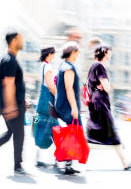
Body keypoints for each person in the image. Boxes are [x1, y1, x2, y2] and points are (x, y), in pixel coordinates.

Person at [86, 46, 131, 170]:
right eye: (109, 53)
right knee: (110, 132)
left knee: (94, 132)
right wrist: (107, 85)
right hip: (101, 104)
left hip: (95, 102)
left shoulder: (93, 66)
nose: (110, 55)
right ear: (104, 54)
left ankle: (77, 159)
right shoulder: (100, 67)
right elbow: (107, 87)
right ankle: (125, 163)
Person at [0, 32, 28, 175]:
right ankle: (18, 166)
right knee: (19, 134)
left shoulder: (7, 58)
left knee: (10, 134)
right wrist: (11, 106)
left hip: (12, 103)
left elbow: (13, 83)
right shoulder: (9, 60)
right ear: (14, 41)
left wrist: (21, 98)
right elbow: (8, 84)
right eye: (21, 39)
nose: (23, 41)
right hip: (12, 105)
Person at [54, 41, 84, 175]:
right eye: (77, 52)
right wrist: (74, 108)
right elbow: (68, 89)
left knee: (72, 133)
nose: (78, 54)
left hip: (63, 104)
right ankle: (65, 162)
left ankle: (67, 162)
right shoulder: (68, 68)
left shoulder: (63, 66)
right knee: (74, 133)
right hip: (67, 106)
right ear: (72, 52)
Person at [33, 47, 59, 168]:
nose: (54, 56)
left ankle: (39, 158)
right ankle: (57, 159)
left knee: (40, 127)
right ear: (49, 54)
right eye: (53, 54)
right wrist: (58, 96)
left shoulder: (43, 65)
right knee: (56, 128)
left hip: (41, 104)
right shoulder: (48, 67)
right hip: (47, 104)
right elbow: (50, 86)